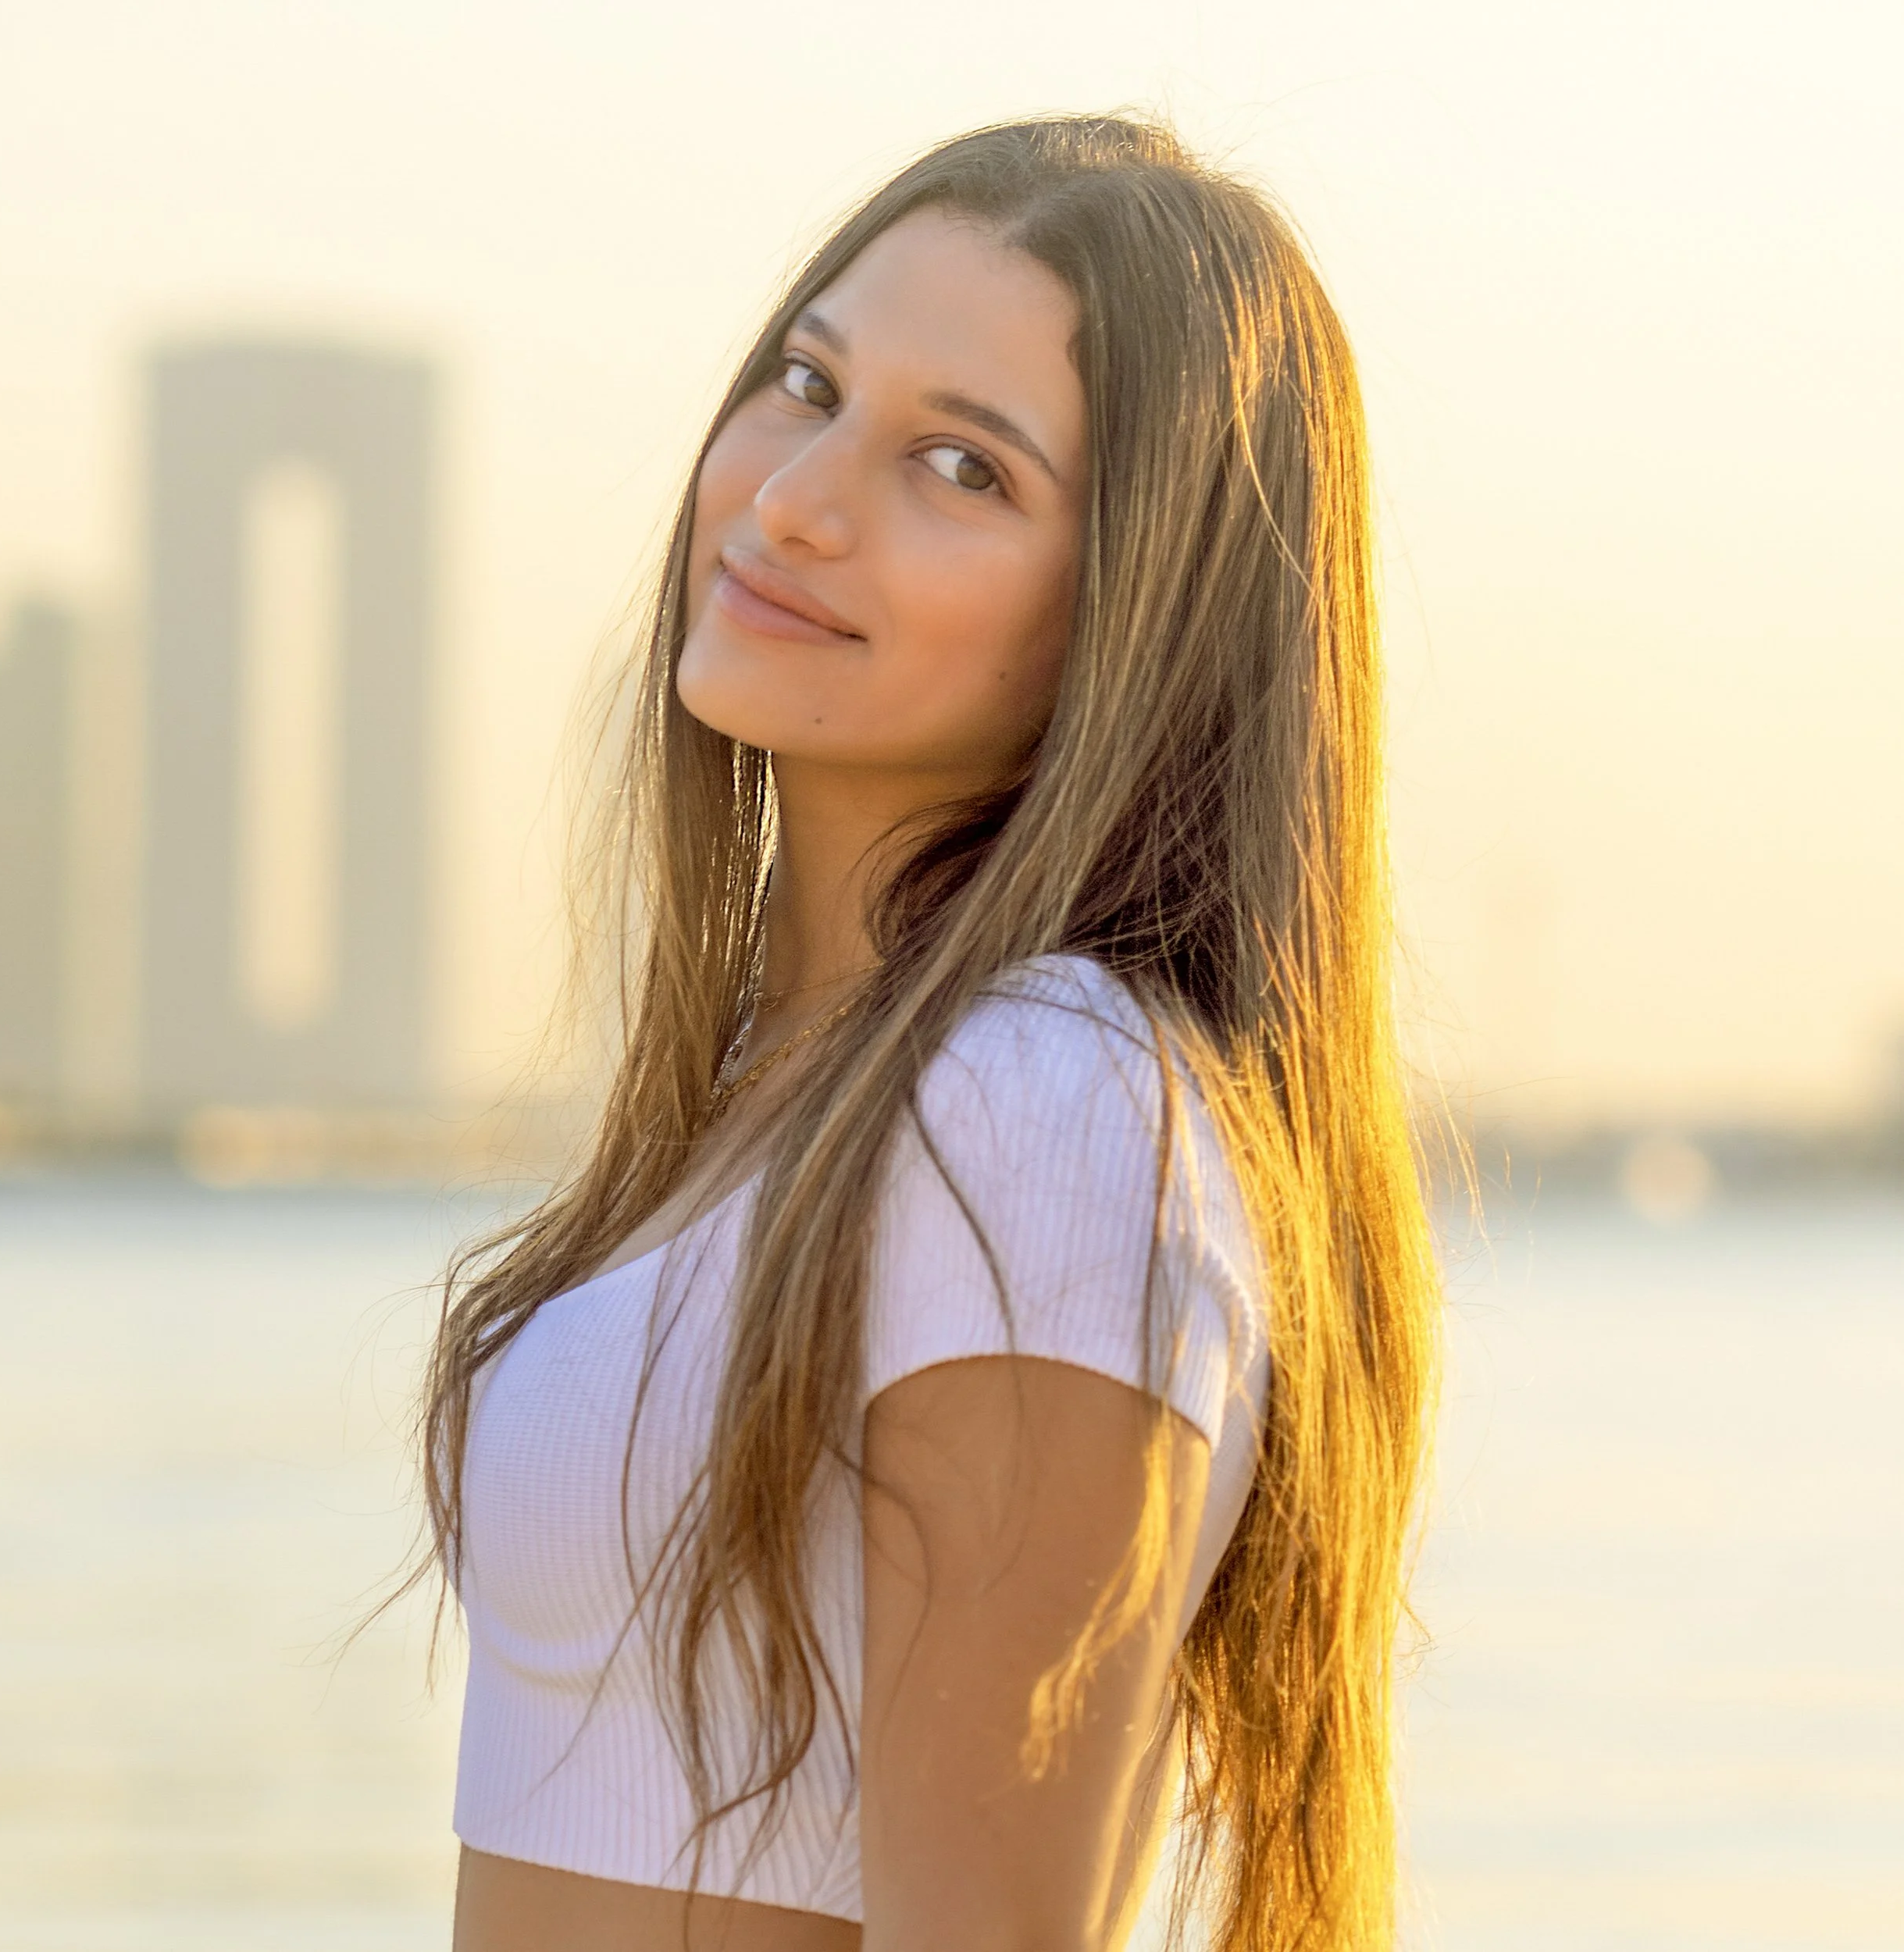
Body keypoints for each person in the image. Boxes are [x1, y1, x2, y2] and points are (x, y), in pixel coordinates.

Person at [422, 116, 1439, 1952]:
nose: (795, 499)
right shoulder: (793, 1090)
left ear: (1135, 616)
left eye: (960, 467)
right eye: (806, 384)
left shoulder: (1038, 1105)